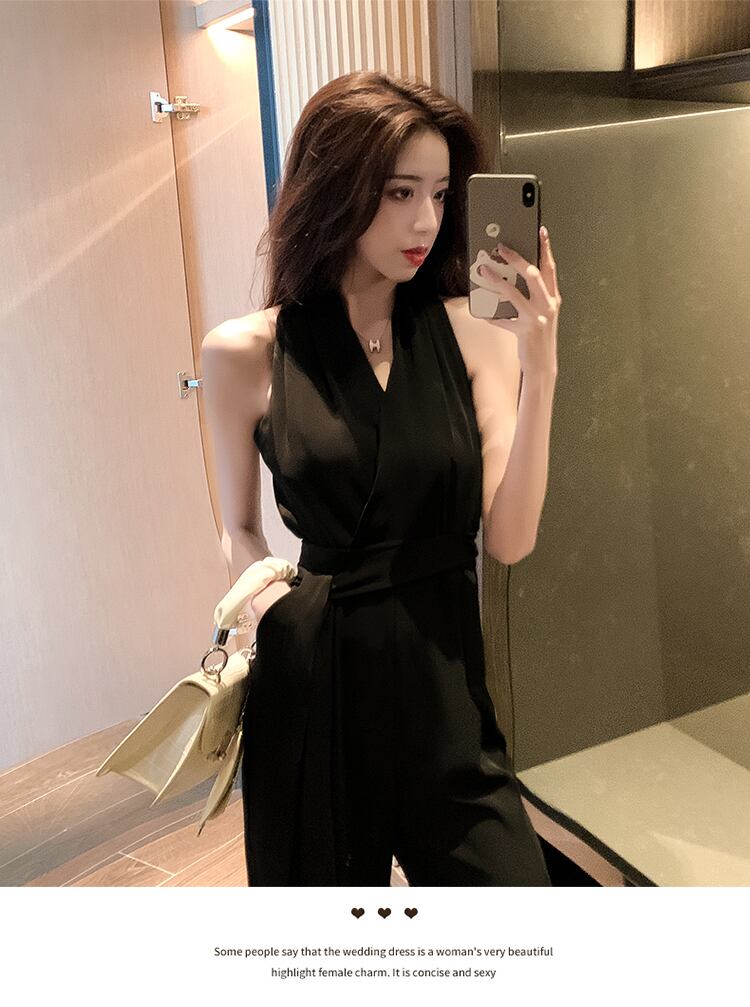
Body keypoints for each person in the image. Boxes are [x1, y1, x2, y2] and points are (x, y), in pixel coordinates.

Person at [201, 71, 561, 886]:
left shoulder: (475, 332)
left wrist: (541, 369)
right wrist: (274, 613)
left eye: (440, 193)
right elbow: (237, 527)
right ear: (336, 187)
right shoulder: (245, 352)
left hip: (447, 700)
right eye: (400, 192)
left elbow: (509, 539)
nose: (426, 221)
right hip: (315, 697)